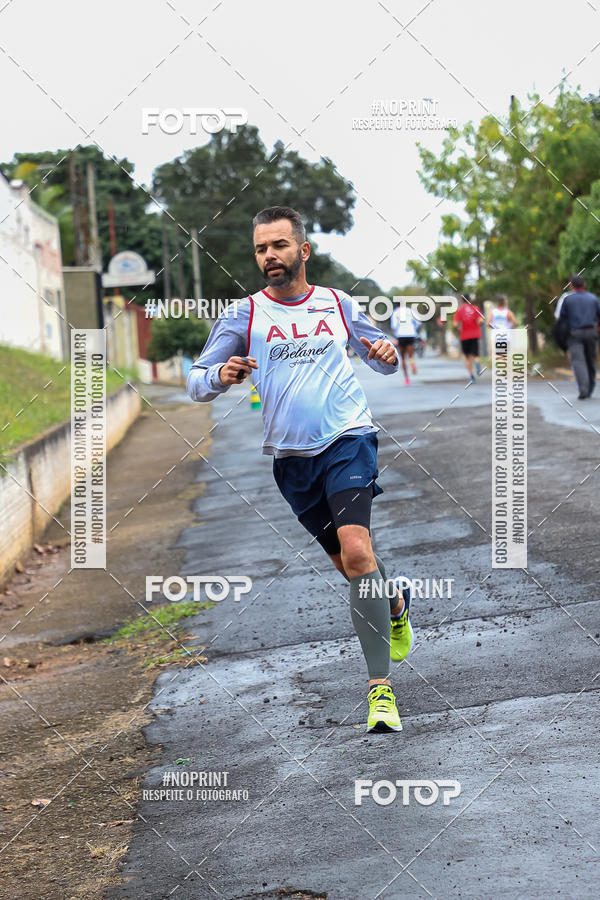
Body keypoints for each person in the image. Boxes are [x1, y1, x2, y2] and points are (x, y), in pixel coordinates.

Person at [187, 206, 413, 733]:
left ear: (302, 251)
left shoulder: (337, 303)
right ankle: (395, 599)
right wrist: (221, 373)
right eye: (262, 248)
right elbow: (195, 382)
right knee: (352, 568)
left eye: (280, 246)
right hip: (291, 461)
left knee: (358, 552)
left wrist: (384, 352)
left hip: (348, 437)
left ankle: (380, 691)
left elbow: (382, 357)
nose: (270, 256)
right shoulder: (242, 316)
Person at [559, 274, 600, 399]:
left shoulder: (568, 299)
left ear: (571, 286)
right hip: (591, 332)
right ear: (584, 284)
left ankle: (583, 389)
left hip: (574, 334)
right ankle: (590, 388)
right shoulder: (593, 298)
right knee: (589, 360)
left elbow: (562, 319)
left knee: (578, 361)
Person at [452, 294, 484, 383]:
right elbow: (481, 321)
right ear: (470, 299)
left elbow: (455, 324)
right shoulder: (475, 308)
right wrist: (477, 326)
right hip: (475, 335)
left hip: (464, 336)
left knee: (467, 357)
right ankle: (477, 364)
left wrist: (458, 330)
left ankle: (471, 376)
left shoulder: (459, 310)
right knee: (476, 355)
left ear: (462, 301)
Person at [390, 302, 419, 385]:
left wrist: (396, 334)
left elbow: (394, 326)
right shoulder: (410, 311)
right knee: (411, 355)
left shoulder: (395, 312)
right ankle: (412, 363)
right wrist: (414, 329)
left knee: (402, 358)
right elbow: (418, 322)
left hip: (401, 335)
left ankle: (406, 379)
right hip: (411, 334)